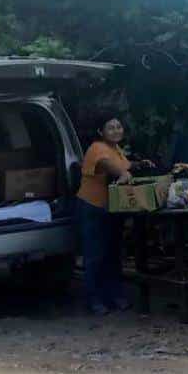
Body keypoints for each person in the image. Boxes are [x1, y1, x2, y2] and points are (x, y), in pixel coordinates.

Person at [76, 113, 134, 315]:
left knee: (112, 253)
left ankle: (114, 296)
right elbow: (113, 168)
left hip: (111, 208)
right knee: (94, 255)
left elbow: (125, 166)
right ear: (101, 131)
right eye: (111, 127)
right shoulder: (97, 149)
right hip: (93, 207)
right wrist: (125, 173)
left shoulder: (115, 149)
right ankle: (94, 300)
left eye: (119, 126)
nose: (116, 130)